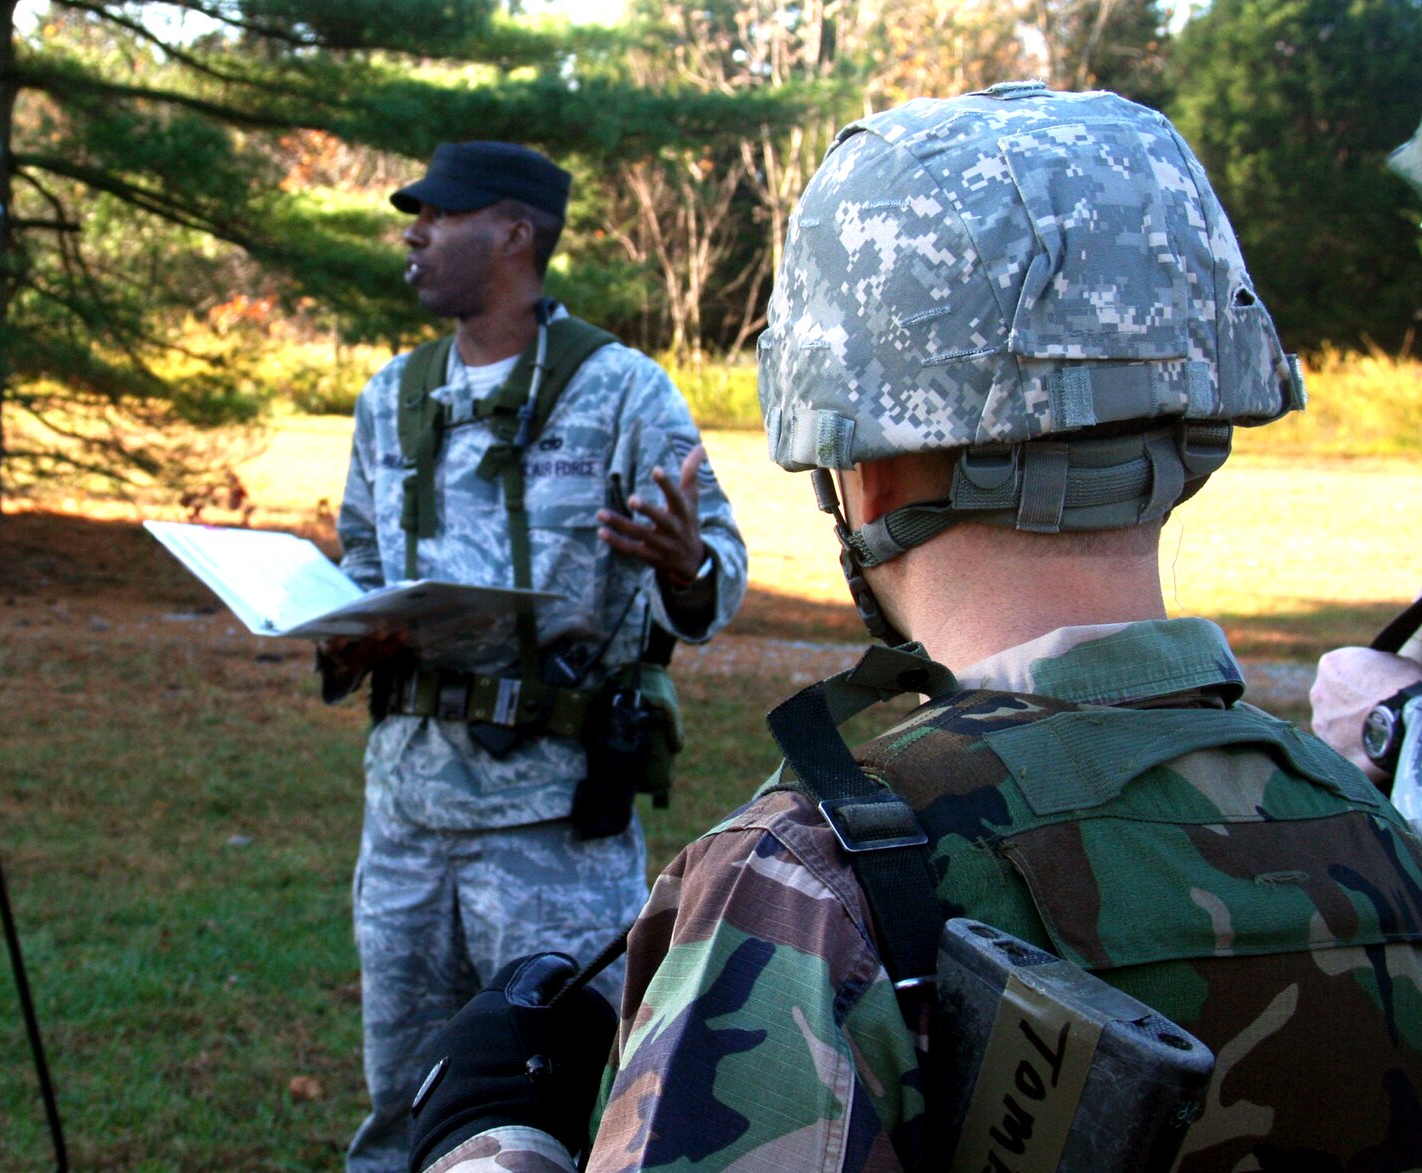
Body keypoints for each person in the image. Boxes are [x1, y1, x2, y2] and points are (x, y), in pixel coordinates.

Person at [412, 86, 1422, 1173]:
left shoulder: (812, 890)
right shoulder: (1378, 834)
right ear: (1192, 429)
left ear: (868, 471)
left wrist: (492, 1142)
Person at [325, 139, 747, 1173]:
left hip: (551, 828)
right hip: (408, 817)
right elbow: (361, 557)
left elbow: (715, 567)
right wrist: (342, 614)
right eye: (412, 214)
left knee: (562, 1097)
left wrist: (685, 563)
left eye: (440, 214)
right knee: (401, 1101)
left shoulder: (620, 391)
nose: (413, 233)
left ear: (514, 232)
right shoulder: (390, 396)